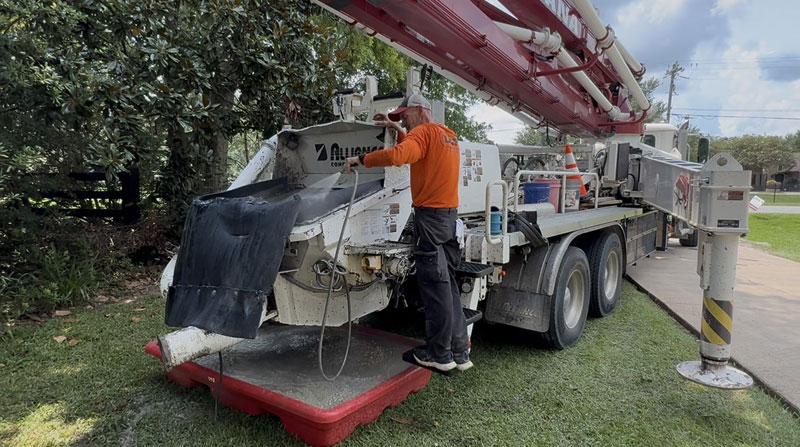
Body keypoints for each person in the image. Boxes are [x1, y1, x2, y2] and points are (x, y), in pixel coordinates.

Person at [345, 94, 472, 372]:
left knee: (435, 287)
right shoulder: (447, 135)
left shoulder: (422, 134)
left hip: (430, 220)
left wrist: (361, 159)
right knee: (447, 285)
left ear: (420, 111)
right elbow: (418, 150)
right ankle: (460, 352)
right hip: (449, 219)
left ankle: (439, 355)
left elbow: (400, 156)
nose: (403, 120)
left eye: (405, 116)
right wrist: (397, 129)